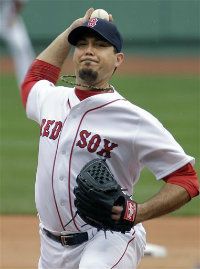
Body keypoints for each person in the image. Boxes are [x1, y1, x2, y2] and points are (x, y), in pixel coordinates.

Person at [21, 8, 199, 269]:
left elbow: (186, 179)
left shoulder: (133, 119)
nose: (89, 50)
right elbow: (34, 79)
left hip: (107, 237)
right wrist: (74, 27)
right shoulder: (52, 99)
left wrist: (137, 212)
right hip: (50, 247)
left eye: (100, 45)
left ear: (118, 59)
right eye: (82, 44)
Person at [0, 0, 35, 86]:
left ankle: (28, 83)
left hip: (7, 18)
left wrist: (13, 16)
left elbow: (20, 2)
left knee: (23, 49)